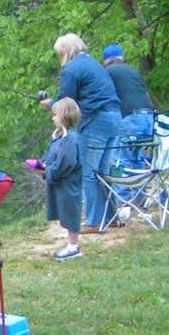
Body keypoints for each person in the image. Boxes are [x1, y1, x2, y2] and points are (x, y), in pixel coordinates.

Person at [39, 33, 122, 234]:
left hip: (96, 120)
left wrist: (49, 104)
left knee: (88, 171)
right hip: (115, 117)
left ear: (66, 52)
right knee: (103, 172)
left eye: (60, 53)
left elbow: (66, 104)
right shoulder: (94, 64)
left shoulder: (71, 68)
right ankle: (111, 218)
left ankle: (93, 221)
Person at [40, 98, 84, 260]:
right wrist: (42, 167)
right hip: (60, 183)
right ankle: (70, 244)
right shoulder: (59, 138)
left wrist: (50, 171)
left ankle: (74, 246)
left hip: (69, 183)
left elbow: (67, 163)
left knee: (71, 211)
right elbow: (51, 157)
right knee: (64, 210)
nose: (52, 118)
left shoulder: (72, 139)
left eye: (55, 114)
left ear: (64, 116)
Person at [103, 43, 154, 168]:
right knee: (137, 160)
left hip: (131, 119)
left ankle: (120, 188)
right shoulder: (134, 72)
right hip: (149, 118)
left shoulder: (108, 72)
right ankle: (137, 188)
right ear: (122, 57)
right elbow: (146, 95)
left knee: (121, 162)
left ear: (105, 61)